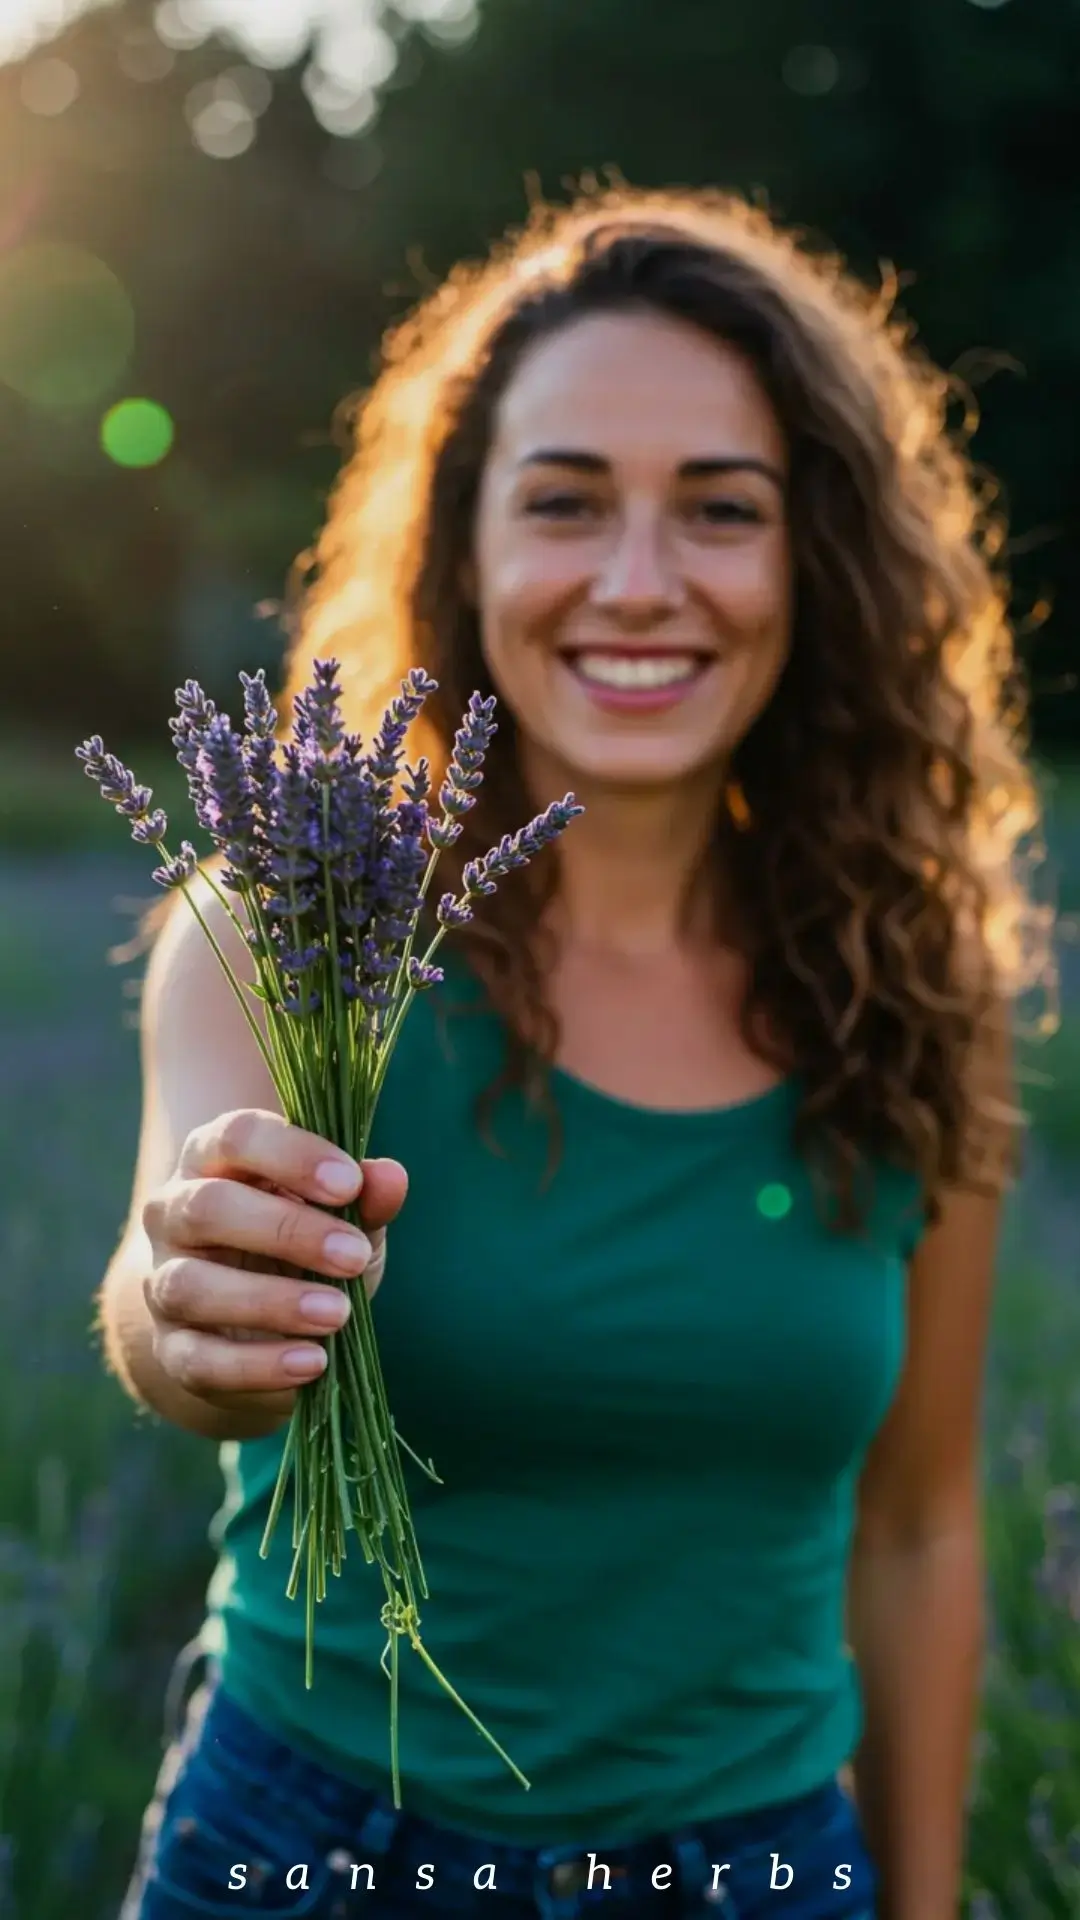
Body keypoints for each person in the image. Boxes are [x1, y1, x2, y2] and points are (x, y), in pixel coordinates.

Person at [101, 183, 1052, 1920]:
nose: (638, 582)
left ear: (814, 558)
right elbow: (174, 1297)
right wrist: (189, 1310)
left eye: (720, 510)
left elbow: (915, 1534)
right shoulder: (290, 925)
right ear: (464, 549)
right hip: (311, 1858)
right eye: (564, 503)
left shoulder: (919, 993)